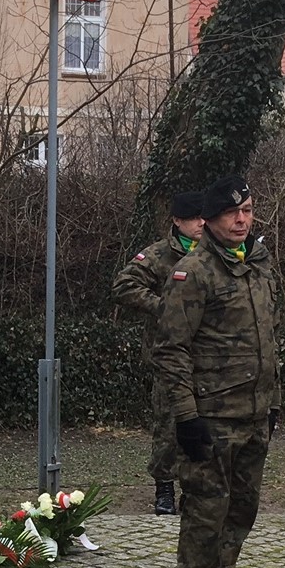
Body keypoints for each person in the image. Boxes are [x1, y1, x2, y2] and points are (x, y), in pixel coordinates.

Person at [153, 175, 279, 568]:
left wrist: (273, 402)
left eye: (247, 210)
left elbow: (268, 340)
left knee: (241, 506)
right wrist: (186, 417)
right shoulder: (194, 271)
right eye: (232, 213)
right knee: (207, 507)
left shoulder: (257, 266)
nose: (242, 219)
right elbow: (171, 350)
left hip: (254, 412)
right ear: (209, 220)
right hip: (211, 415)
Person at [111, 190, 204, 516]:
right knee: (168, 424)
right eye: (194, 218)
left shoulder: (213, 253)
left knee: (203, 423)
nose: (201, 223)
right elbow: (124, 285)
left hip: (205, 356)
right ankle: (164, 488)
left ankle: (195, 488)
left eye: (204, 217)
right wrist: (163, 307)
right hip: (167, 355)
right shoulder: (160, 255)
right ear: (177, 221)